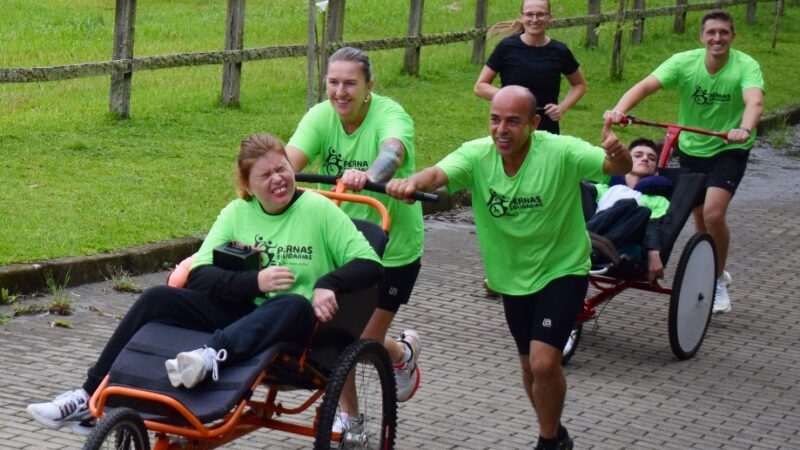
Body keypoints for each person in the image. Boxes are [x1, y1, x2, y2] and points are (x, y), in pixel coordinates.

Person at [26, 134, 382, 435]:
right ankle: (86, 396)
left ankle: (212, 354)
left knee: (292, 302)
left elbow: (370, 264)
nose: (278, 179)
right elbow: (200, 275)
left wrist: (327, 283)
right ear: (247, 185)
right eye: (265, 175)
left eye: (282, 169)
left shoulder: (319, 210)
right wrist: (255, 281)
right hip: (240, 310)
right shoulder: (236, 214)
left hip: (294, 327)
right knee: (157, 298)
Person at [386, 85, 631, 450]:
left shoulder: (560, 151)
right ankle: (557, 434)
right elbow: (437, 175)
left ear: (534, 123)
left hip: (562, 270)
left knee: (545, 362)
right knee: (530, 369)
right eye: (495, 120)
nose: (501, 130)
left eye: (513, 122)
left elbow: (615, 167)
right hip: (511, 278)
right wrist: (411, 182)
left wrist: (617, 154)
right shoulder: (477, 155)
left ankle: (547, 442)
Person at [286, 47, 425, 407]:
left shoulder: (390, 114)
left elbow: (391, 153)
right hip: (342, 245)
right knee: (337, 338)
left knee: (362, 338)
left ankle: (402, 355)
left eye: (350, 83)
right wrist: (269, 176)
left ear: (368, 87)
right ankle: (350, 422)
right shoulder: (320, 116)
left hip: (392, 249)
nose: (340, 92)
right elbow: (290, 161)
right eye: (333, 83)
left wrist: (370, 176)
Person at [604, 9, 764, 313]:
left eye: (724, 33)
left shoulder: (746, 66)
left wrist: (744, 128)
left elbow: (754, 101)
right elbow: (645, 86)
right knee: (700, 219)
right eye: (711, 33)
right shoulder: (684, 62)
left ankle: (715, 280)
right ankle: (712, 265)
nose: (717, 38)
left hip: (728, 149)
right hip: (692, 149)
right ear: (702, 36)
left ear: (733, 36)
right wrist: (619, 110)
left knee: (714, 215)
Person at [474, 0, 587, 135]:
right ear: (521, 17)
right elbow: (480, 86)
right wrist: (511, 96)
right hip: (511, 123)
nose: (534, 19)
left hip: (546, 125)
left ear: (550, 17)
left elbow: (580, 85)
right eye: (529, 14)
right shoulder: (507, 47)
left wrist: (562, 108)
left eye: (540, 14)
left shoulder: (559, 51)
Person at [586, 138, 671, 281]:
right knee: (583, 188)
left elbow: (653, 225)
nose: (645, 159)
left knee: (637, 208)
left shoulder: (657, 200)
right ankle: (588, 241)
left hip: (623, 246)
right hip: (594, 230)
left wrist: (654, 254)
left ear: (656, 172)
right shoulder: (604, 189)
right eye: (638, 155)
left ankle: (594, 247)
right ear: (625, 161)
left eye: (651, 158)